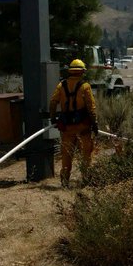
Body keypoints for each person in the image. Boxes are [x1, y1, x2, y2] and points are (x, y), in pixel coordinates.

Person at [48, 58, 98, 187]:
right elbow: (91, 108)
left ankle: (65, 181)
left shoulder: (61, 85)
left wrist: (53, 118)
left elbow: (53, 102)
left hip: (67, 127)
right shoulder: (85, 86)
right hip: (83, 127)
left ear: (70, 71)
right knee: (86, 155)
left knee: (66, 154)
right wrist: (95, 123)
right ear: (82, 72)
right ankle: (86, 181)